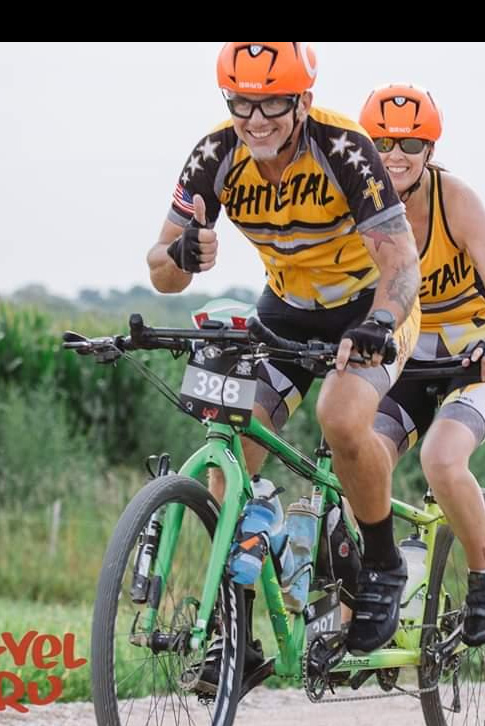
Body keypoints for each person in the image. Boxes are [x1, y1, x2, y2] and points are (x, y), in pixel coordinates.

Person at [148, 44, 423, 689]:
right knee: (232, 445)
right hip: (288, 307)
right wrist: (183, 251)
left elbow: (403, 265)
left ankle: (382, 564)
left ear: (301, 100)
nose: (257, 118)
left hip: (372, 304)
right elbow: (160, 270)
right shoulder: (214, 154)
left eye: (272, 102)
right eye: (242, 101)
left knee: (341, 415)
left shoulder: (345, 148)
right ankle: (233, 635)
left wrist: (379, 324)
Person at [359, 83, 485, 645]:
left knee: (442, 459)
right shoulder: (361, 201)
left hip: (475, 356)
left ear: (429, 148)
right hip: (409, 353)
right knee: (361, 456)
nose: (394, 154)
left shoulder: (456, 200)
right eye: (381, 141)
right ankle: (379, 579)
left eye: (409, 142)